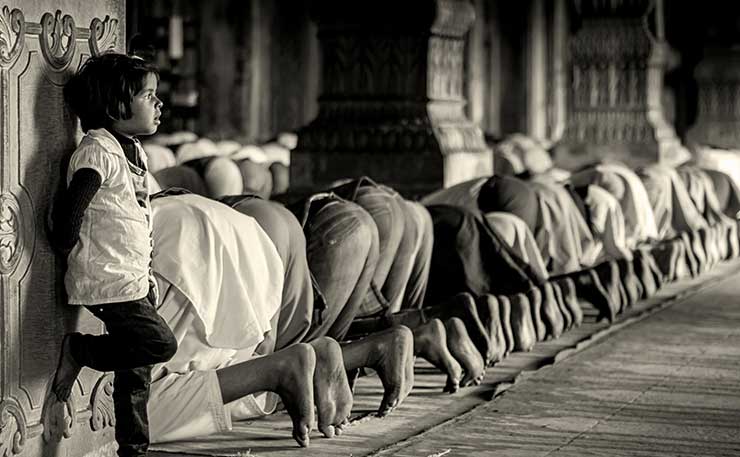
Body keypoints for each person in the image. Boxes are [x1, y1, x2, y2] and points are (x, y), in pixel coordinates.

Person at [49, 53, 177, 457]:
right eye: (148, 95)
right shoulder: (98, 151)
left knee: (136, 372)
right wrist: (69, 247)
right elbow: (70, 214)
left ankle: (133, 449)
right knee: (160, 343)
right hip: (109, 278)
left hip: (132, 276)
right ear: (114, 106)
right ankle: (80, 350)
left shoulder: (131, 150)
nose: (158, 104)